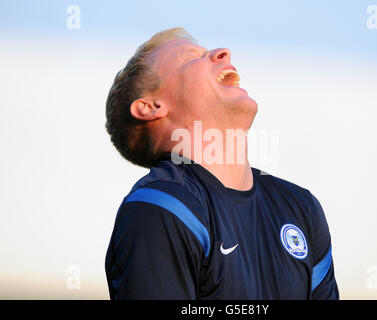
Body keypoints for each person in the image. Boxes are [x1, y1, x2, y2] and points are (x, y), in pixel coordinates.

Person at [104, 27, 339, 299]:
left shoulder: (301, 208)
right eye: (189, 58)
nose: (222, 52)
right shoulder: (160, 206)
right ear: (151, 107)